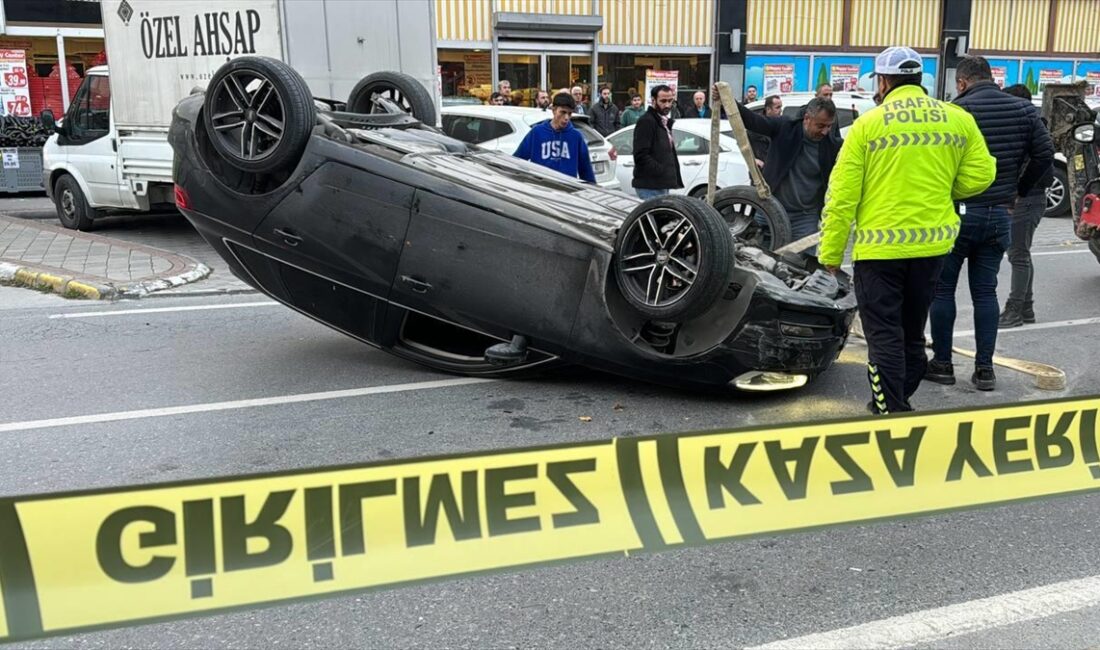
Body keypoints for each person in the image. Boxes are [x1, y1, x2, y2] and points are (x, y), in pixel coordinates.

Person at [819, 46, 995, 415]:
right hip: (932, 247)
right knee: (912, 332)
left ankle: (891, 411)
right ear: (920, 80)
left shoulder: (869, 124)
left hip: (879, 252)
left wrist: (831, 256)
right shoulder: (956, 118)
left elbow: (841, 197)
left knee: (883, 336)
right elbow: (982, 174)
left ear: (883, 82)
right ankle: (902, 401)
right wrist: (943, 187)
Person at [927, 55, 1053, 391]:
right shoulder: (1024, 110)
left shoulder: (955, 111)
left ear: (963, 82)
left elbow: (935, 161)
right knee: (985, 292)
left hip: (956, 213)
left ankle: (942, 364)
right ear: (991, 77)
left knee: (942, 290)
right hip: (1000, 213)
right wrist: (1018, 190)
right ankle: (985, 370)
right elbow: (1045, 154)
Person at [736, 95, 841, 242]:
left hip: (804, 219)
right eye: (820, 126)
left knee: (801, 263)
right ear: (807, 118)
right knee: (757, 260)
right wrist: (727, 99)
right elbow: (753, 121)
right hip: (770, 211)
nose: (825, 131)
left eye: (829, 126)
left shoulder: (832, 146)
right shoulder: (785, 127)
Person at [998, 83, 1053, 328]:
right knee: (1020, 253)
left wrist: (1019, 190)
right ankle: (1026, 307)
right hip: (1029, 197)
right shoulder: (1032, 125)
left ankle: (1015, 308)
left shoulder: (1032, 129)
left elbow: (1043, 167)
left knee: (1018, 254)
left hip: (1028, 198)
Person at [513, 92, 596, 183]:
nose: (566, 117)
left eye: (569, 113)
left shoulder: (576, 136)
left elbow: (586, 170)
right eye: (563, 112)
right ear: (553, 110)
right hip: (541, 189)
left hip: (568, 190)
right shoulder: (537, 132)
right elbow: (517, 160)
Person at [631, 84, 682, 199]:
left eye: (670, 101)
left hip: (661, 184)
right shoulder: (647, 121)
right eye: (663, 101)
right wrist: (661, 170)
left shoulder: (663, 121)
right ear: (653, 101)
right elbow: (640, 155)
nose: (667, 105)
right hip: (650, 186)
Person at [749, 94, 782, 168]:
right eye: (777, 107)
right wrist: (753, 160)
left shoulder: (782, 124)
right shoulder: (757, 126)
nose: (780, 110)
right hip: (761, 170)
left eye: (781, 107)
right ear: (768, 109)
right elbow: (744, 145)